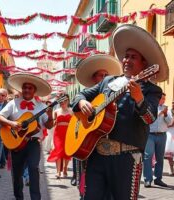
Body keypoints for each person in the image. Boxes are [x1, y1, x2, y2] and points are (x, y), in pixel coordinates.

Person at [71, 24, 168, 199]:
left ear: (144, 64)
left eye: (133, 57)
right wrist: (82, 102)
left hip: (127, 159)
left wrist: (139, 98)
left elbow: (150, 118)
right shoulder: (108, 81)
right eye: (126, 56)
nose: (127, 60)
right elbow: (80, 94)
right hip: (97, 155)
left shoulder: (151, 90)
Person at [71, 54, 122, 200]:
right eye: (102, 75)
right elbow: (76, 98)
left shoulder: (113, 92)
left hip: (107, 146)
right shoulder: (90, 94)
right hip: (87, 143)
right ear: (94, 79)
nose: (106, 77)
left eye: (107, 74)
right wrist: (81, 102)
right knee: (88, 187)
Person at [0, 73, 54, 200]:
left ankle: (36, 197)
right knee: (16, 174)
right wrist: (12, 123)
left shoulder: (42, 107)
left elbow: (49, 126)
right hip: (16, 143)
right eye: (25, 87)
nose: (27, 90)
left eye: (30, 88)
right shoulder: (13, 103)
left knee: (34, 168)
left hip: (33, 143)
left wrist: (50, 115)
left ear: (35, 91)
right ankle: (18, 197)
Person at [143, 93, 172, 187]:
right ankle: (148, 179)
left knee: (160, 158)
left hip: (162, 135)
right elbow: (148, 120)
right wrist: (159, 113)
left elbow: (170, 122)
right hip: (150, 135)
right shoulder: (150, 107)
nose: (163, 100)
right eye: (161, 98)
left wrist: (166, 114)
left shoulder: (167, 109)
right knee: (148, 157)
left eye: (164, 98)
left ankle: (158, 179)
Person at [47, 94, 72, 178]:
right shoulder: (56, 111)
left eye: (65, 100)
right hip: (58, 133)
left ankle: (65, 169)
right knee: (58, 151)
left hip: (68, 133)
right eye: (61, 101)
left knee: (66, 152)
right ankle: (58, 171)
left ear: (68, 101)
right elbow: (53, 123)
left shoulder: (72, 111)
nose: (63, 102)